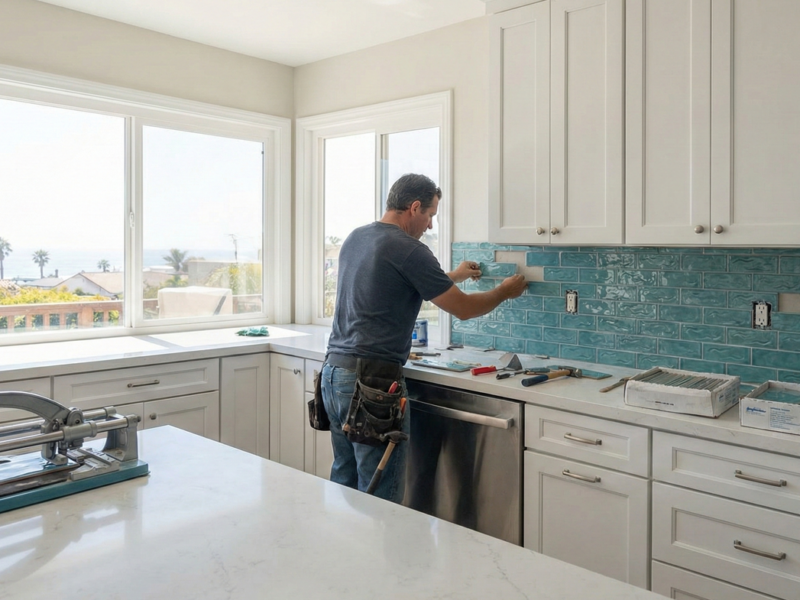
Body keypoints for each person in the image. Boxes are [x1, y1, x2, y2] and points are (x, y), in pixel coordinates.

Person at [321, 173, 527, 502]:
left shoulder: (357, 237)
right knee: (379, 494)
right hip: (372, 383)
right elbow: (462, 308)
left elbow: (400, 279)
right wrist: (504, 291)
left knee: (345, 481)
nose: (430, 225)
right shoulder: (410, 249)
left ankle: (346, 553)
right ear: (414, 207)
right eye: (430, 215)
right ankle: (385, 556)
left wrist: (455, 275)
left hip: (333, 375)